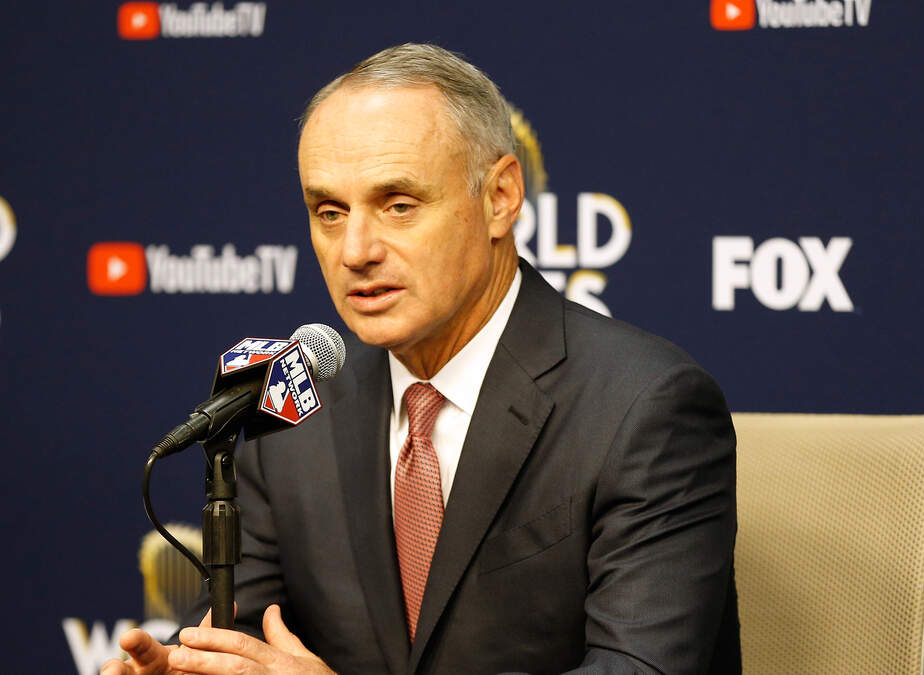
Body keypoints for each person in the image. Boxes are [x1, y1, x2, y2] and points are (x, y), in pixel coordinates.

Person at [104, 43, 740, 675]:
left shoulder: (644, 409)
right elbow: (243, 644)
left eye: (398, 205)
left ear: (500, 197)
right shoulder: (295, 412)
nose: (356, 251)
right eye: (329, 212)